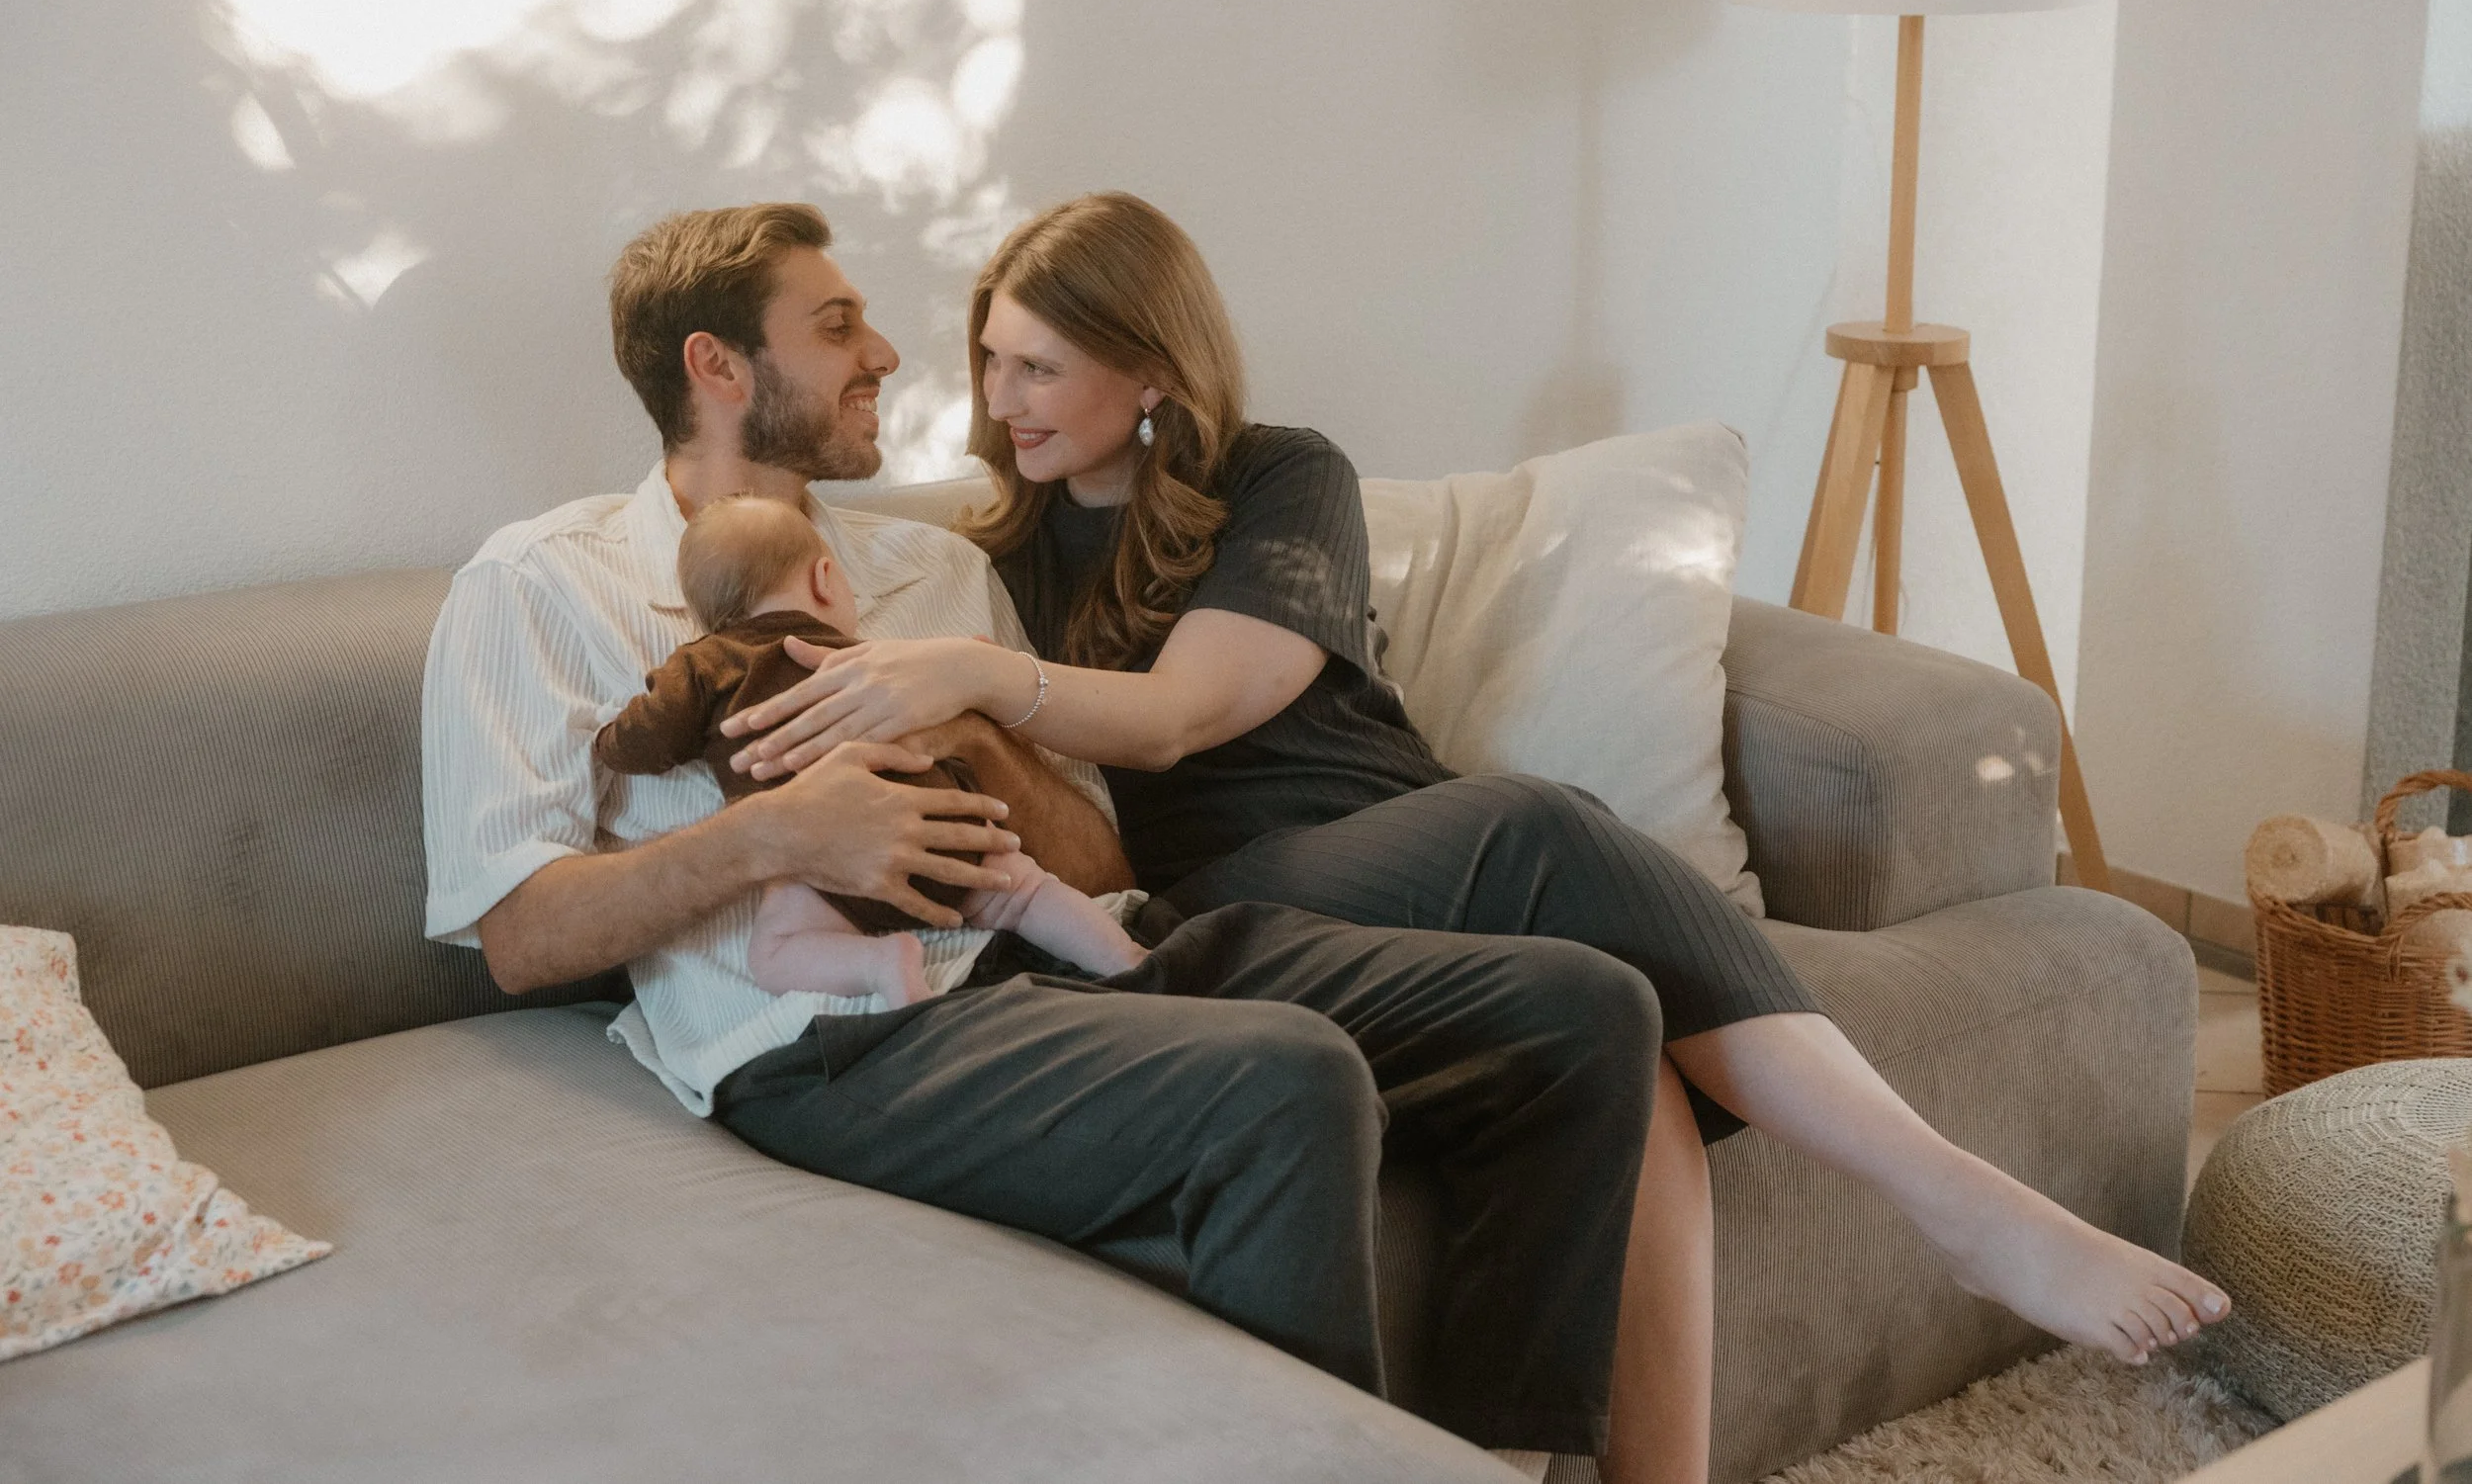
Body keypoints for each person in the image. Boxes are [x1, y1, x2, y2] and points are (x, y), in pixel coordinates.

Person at [721, 191, 2236, 1484]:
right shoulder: (977, 555)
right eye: (993, 361)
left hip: (1386, 830)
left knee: (1615, 1022)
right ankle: (1956, 1203)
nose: (1004, 401)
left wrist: (995, 677)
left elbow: (1198, 704)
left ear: (1152, 369)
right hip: (1230, 896)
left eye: (1041, 365)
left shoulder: (1277, 474)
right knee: (1544, 827)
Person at [418, 202, 1682, 1475]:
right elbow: (520, 937)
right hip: (844, 1034)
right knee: (1287, 1078)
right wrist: (775, 836)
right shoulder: (537, 585)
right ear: (718, 365)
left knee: (1583, 1006)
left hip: (1067, 942)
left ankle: (1499, 1462)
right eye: (838, 323)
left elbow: (1104, 864)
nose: (890, 357)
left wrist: (971, 723)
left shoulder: (934, 576)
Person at [593, 491, 1149, 1007]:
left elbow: (650, 739)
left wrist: (608, 741)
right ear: (825, 580)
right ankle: (1126, 957)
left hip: (831, 873)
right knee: (1026, 893)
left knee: (776, 952)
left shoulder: (701, 667)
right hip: (948, 829)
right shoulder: (876, 658)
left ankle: (880, 962)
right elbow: (947, 689)